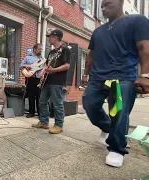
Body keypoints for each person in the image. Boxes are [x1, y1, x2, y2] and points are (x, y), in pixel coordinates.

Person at [81, 0, 149, 168]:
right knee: (89, 105)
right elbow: (91, 55)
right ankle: (108, 128)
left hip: (124, 75)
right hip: (98, 76)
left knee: (118, 111)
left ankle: (117, 148)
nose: (103, 8)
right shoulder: (98, 31)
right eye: (102, 6)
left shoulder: (137, 21)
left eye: (108, 3)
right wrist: (85, 74)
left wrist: (145, 75)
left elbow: (144, 48)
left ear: (120, 2)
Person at [32, 29, 70, 134]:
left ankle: (58, 125)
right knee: (42, 101)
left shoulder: (65, 50)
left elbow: (67, 65)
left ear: (55, 37)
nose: (49, 39)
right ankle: (44, 122)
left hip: (57, 81)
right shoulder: (52, 52)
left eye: (50, 37)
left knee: (57, 103)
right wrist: (43, 73)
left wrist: (53, 70)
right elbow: (46, 64)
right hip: (47, 80)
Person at [20, 43, 45, 118]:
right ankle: (31, 112)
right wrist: (27, 66)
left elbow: (44, 68)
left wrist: (42, 73)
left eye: (41, 49)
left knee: (39, 96)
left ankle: (40, 113)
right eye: (39, 49)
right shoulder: (28, 58)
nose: (41, 50)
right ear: (34, 49)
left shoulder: (42, 59)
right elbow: (20, 66)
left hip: (38, 79)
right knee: (31, 96)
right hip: (30, 78)